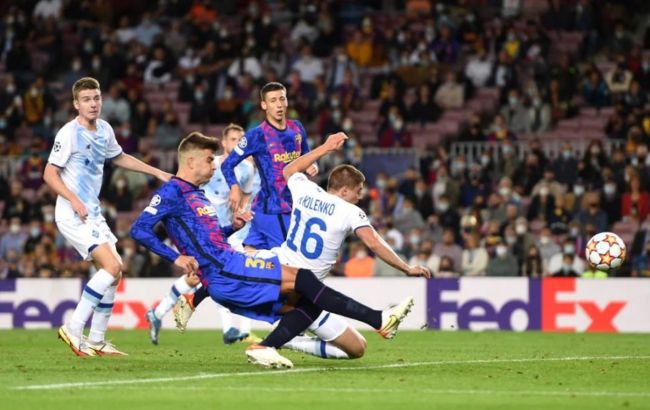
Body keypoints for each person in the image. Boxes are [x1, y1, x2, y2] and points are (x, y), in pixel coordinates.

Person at [131, 132, 428, 369]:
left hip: (229, 268)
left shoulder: (196, 195)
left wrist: (232, 227)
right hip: (227, 271)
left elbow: (210, 240)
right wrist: (176, 257)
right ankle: (378, 320)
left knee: (308, 305)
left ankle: (266, 344)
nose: (214, 165)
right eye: (210, 160)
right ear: (191, 161)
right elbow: (139, 229)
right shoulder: (172, 191)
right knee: (304, 280)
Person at [44, 77, 172, 357]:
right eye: (86, 99)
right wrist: (73, 199)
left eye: (96, 98)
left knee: (115, 274)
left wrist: (157, 172)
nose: (93, 104)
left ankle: (97, 339)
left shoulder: (104, 129)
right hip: (72, 213)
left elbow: (120, 157)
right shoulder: (68, 133)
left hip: (92, 212)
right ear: (76, 104)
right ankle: (73, 328)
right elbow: (49, 174)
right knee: (111, 267)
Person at [145, 124, 261, 345]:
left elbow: (245, 197)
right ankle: (231, 328)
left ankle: (158, 313)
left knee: (206, 276)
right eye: (233, 139)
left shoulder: (246, 170)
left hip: (227, 232)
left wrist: (240, 214)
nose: (238, 144)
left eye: (241, 140)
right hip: (199, 233)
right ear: (224, 143)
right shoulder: (208, 165)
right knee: (212, 275)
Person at [221, 82, 317, 252]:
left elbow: (307, 155)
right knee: (287, 260)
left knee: (252, 255)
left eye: (282, 99)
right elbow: (227, 165)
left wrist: (312, 164)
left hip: (282, 206)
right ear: (264, 105)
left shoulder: (297, 128)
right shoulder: (256, 135)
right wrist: (235, 188)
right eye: (273, 100)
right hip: (276, 209)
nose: (279, 104)